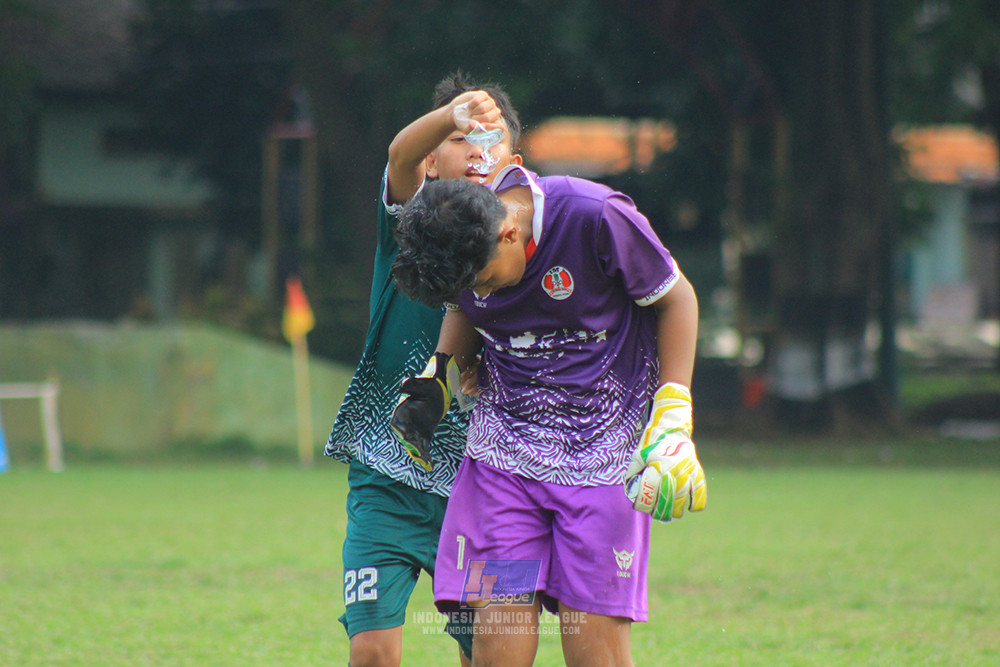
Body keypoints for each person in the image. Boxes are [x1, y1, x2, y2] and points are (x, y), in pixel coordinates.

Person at [390, 167, 707, 666]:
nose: (486, 296)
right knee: (496, 646)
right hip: (503, 467)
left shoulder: (595, 215)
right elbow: (465, 310)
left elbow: (677, 298)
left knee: (593, 653)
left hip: (604, 466)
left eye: (488, 280)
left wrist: (672, 414)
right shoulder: (459, 240)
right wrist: (439, 374)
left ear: (510, 232)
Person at [323, 72, 523, 667]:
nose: (478, 148)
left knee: (490, 651)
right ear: (434, 163)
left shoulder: (529, 245)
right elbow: (399, 154)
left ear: (515, 160)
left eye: (492, 138)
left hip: (491, 484)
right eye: (463, 138)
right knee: (373, 652)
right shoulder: (410, 222)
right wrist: (451, 115)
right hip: (388, 475)